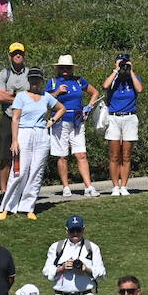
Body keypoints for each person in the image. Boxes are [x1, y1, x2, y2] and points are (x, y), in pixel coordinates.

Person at [0, 68, 65, 219]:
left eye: (37, 79)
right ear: (28, 80)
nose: (35, 82)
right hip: (24, 133)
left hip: (41, 134)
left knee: (36, 171)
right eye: (32, 79)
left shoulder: (46, 97)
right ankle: (7, 207)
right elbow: (15, 119)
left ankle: (28, 207)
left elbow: (61, 109)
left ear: (42, 81)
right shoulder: (21, 96)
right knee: (19, 171)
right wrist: (14, 141)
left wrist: (51, 121)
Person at [44, 54, 98, 198]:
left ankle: (88, 186)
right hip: (60, 120)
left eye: (68, 67)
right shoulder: (53, 82)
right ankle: (66, 187)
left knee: (81, 154)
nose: (65, 70)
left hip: (77, 120)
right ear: (58, 68)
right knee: (62, 156)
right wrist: (57, 92)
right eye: (63, 67)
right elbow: (45, 100)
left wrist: (89, 107)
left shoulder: (79, 81)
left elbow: (94, 92)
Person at [43, 214, 106, 295]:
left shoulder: (92, 248)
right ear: (67, 230)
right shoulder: (57, 247)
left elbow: (102, 273)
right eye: (72, 231)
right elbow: (46, 271)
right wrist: (61, 268)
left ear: (84, 229)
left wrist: (86, 269)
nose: (75, 234)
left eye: (78, 230)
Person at [102, 53, 144, 196]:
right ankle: (115, 186)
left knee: (126, 155)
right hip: (114, 118)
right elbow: (105, 86)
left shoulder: (133, 79)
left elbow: (139, 89)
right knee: (114, 155)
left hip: (130, 118)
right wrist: (116, 70)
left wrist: (130, 70)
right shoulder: (114, 79)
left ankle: (124, 186)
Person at [0, 43, 29, 200]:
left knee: (24, 156)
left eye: (20, 53)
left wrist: (11, 94)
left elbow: (34, 94)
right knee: (5, 157)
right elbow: (0, 97)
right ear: (10, 56)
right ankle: (3, 191)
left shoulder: (29, 73)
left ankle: (21, 190)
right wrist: (20, 94)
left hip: (26, 119)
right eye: (15, 53)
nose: (18, 55)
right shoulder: (4, 74)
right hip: (8, 118)